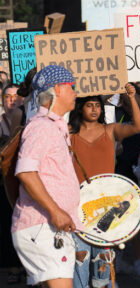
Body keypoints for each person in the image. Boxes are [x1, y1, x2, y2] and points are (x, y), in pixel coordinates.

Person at [69, 85, 140, 288]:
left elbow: (138, 126)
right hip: (77, 207)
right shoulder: (69, 133)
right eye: (89, 105)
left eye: (97, 106)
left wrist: (131, 97)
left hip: (108, 209)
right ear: (80, 108)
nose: (94, 109)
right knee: (79, 265)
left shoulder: (109, 130)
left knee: (103, 266)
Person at [11, 65, 79, 288]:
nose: (76, 92)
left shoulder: (54, 126)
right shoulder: (41, 126)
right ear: (57, 89)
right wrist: (55, 211)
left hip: (49, 227)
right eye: (72, 87)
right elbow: (26, 172)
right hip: (43, 225)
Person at [1, 83, 24, 284]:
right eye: (7, 97)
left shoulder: (28, 121)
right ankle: (13, 266)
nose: (12, 100)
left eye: (16, 97)